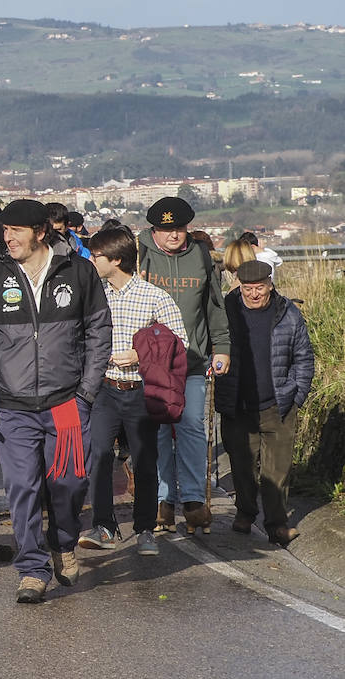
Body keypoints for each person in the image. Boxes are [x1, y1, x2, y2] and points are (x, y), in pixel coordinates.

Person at [0, 199, 111, 603]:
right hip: (12, 406)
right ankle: (32, 569)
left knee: (68, 482)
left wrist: (87, 392)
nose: (7, 237)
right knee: (21, 488)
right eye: (4, 230)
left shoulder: (78, 272)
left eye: (16, 230)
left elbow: (100, 334)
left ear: (41, 232)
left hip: (67, 401)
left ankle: (63, 541)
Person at [78, 228, 187, 557]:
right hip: (105, 389)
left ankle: (144, 529)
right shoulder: (96, 295)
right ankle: (105, 527)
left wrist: (140, 356)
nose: (91, 260)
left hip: (141, 391)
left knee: (144, 459)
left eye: (96, 256)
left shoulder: (155, 297)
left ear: (116, 260)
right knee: (98, 454)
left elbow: (180, 343)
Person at [137, 197, 230, 533]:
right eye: (166, 229)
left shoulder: (201, 257)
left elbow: (214, 307)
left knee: (191, 424)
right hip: (150, 363)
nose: (173, 235)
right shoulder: (139, 256)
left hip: (192, 359)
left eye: (178, 228)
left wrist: (222, 347)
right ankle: (163, 501)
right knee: (159, 428)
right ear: (154, 230)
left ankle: (192, 499)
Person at [216, 260, 314, 547]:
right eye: (248, 288)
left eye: (260, 288)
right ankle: (245, 513)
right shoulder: (226, 312)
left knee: (277, 471)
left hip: (278, 405)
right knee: (242, 466)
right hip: (238, 404)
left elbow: (304, 358)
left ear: (270, 285)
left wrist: (297, 395)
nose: (254, 294)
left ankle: (277, 525)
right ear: (239, 286)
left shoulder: (288, 313)